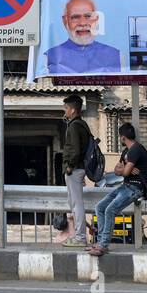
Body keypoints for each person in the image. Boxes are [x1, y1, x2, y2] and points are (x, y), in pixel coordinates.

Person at [89, 123, 147, 258]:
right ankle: (100, 241)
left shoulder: (136, 150)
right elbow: (118, 171)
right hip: (125, 186)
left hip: (135, 188)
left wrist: (125, 170)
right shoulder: (126, 152)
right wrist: (125, 170)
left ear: (122, 137)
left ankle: (103, 245)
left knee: (110, 210)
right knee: (100, 207)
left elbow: (124, 171)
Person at [43, 0, 122, 74]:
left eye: (88, 16)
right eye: (75, 17)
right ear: (65, 21)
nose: (82, 23)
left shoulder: (115, 55)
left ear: (96, 19)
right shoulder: (50, 56)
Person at [60, 94, 93, 247]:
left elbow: (74, 150)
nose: (64, 111)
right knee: (75, 203)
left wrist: (69, 167)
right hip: (79, 169)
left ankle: (80, 237)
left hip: (74, 169)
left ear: (73, 110)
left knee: (76, 204)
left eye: (66, 108)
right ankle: (79, 236)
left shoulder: (74, 126)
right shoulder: (82, 124)